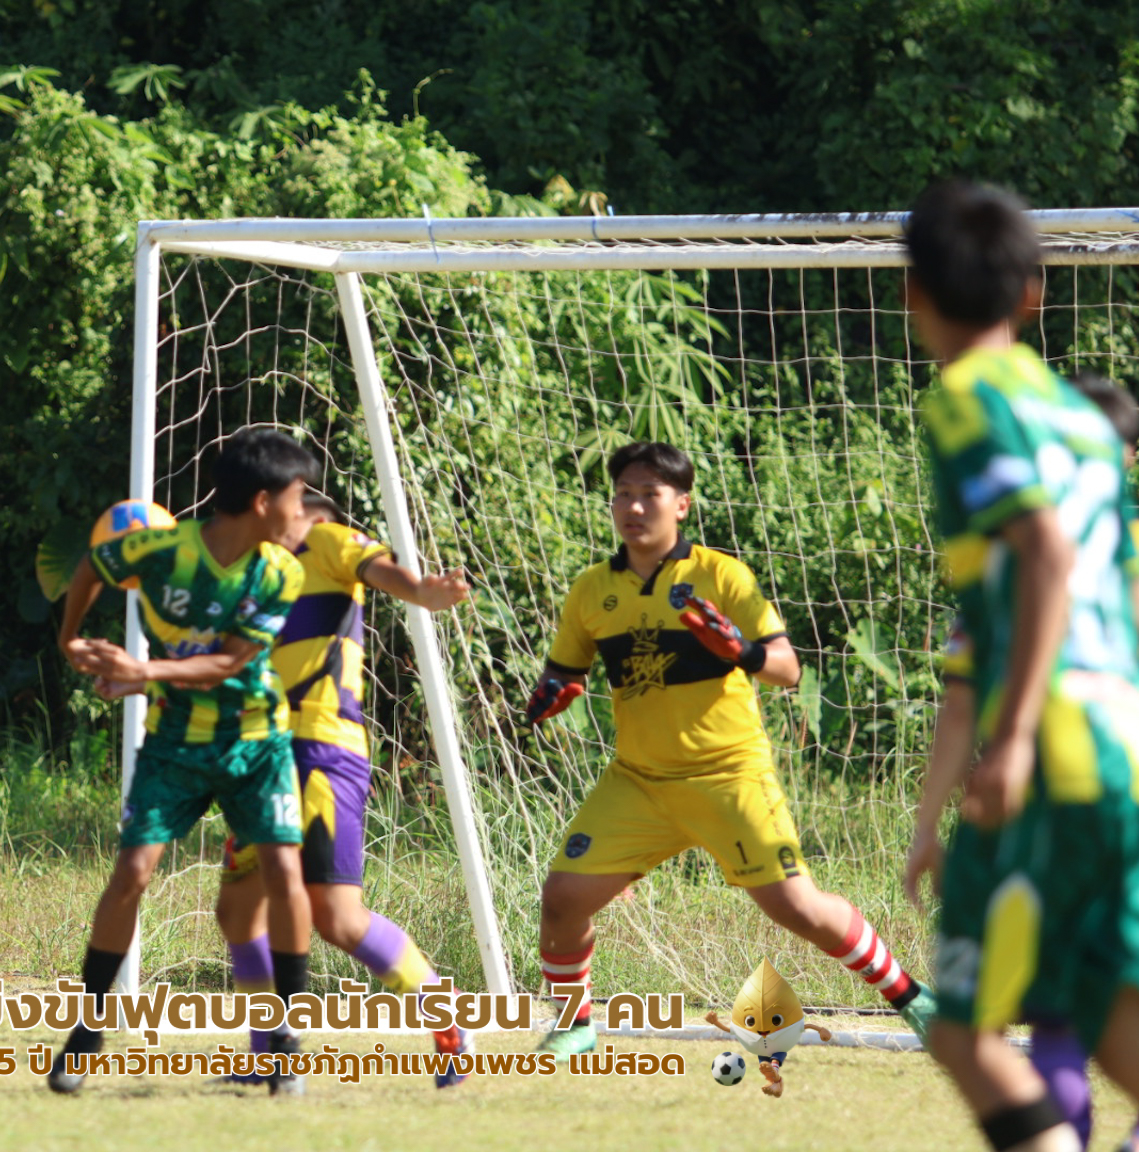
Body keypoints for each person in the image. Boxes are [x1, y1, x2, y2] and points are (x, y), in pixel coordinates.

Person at [903, 178, 1139, 1152]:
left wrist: (1009, 741)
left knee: (963, 1032)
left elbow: (1046, 550)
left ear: (912, 294)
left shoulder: (962, 402)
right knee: (1121, 1033)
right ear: (1031, 293)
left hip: (1054, 753)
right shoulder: (1080, 418)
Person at [527, 440, 934, 1067]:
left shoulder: (721, 576)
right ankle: (574, 1025)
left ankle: (913, 997)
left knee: (798, 908)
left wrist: (740, 652)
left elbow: (788, 669)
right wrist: (552, 691)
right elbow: (565, 669)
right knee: (563, 897)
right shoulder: (591, 590)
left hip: (729, 775)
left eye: (649, 494)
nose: (633, 507)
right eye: (623, 494)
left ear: (681, 505)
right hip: (639, 782)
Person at [50, 427, 316, 1095]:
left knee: (285, 872)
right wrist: (70, 639)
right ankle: (87, 1029)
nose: (303, 512)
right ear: (263, 502)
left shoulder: (281, 571)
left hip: (256, 742)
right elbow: (93, 566)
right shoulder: (160, 549)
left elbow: (228, 662)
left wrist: (139, 670)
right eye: (298, 497)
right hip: (174, 743)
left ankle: (284, 1036)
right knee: (132, 874)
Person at [212, 491, 474, 1087]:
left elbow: (380, 569)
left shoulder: (326, 537)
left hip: (320, 750)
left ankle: (448, 1017)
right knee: (238, 910)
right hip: (260, 755)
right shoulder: (253, 575)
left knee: (336, 917)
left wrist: (422, 591)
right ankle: (271, 1056)